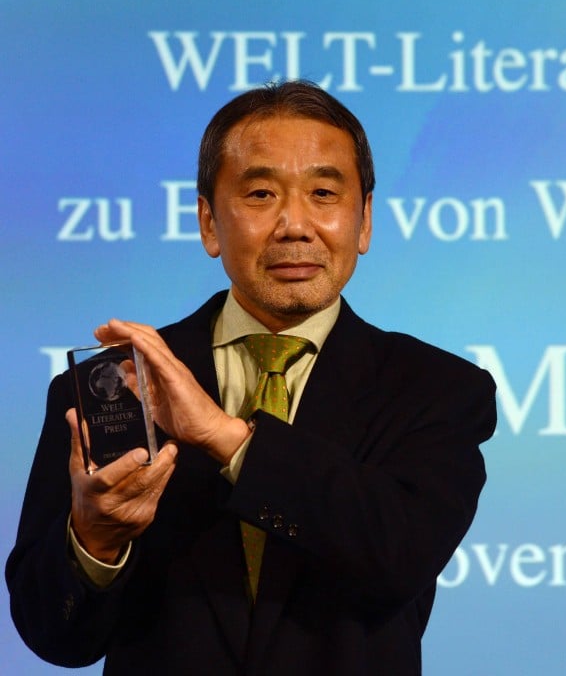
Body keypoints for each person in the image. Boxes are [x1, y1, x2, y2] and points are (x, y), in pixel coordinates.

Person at [6, 80, 496, 675]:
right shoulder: (112, 385)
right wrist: (96, 541)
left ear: (363, 221)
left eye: (323, 193)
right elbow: (52, 634)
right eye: (261, 193)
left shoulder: (438, 389)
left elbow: (398, 554)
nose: (295, 225)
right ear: (209, 223)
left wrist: (227, 439)